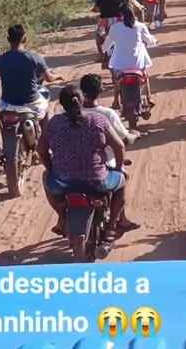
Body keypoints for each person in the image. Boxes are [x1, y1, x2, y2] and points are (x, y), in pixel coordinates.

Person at [38, 85, 138, 246]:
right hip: (97, 180)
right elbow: (119, 147)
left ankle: (62, 218)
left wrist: (51, 169)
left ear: (62, 104)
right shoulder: (98, 120)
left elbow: (41, 149)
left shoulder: (54, 122)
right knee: (122, 179)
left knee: (45, 177)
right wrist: (119, 168)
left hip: (62, 182)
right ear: (82, 100)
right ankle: (112, 226)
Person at [80, 74, 141, 234]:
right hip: (104, 167)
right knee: (122, 178)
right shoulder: (107, 114)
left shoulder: (70, 113)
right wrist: (134, 134)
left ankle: (63, 221)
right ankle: (115, 223)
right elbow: (124, 140)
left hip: (74, 167)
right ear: (101, 91)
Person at [0, 24, 64, 144]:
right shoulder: (35, 58)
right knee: (46, 109)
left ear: (8, 39)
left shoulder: (0, 59)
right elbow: (48, 78)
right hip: (31, 102)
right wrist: (57, 76)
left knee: (3, 118)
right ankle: (46, 142)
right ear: (25, 39)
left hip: (8, 103)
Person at [102, 3, 157, 109]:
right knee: (144, 76)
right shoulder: (140, 26)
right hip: (137, 64)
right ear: (133, 12)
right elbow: (150, 40)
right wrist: (154, 41)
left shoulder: (115, 27)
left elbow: (108, 43)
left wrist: (102, 50)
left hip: (119, 65)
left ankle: (116, 101)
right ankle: (149, 98)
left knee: (116, 80)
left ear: (121, 14)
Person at [92, 0, 130, 64]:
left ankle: (101, 55)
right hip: (121, 20)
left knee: (99, 37)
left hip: (105, 21)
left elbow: (97, 9)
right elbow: (127, 6)